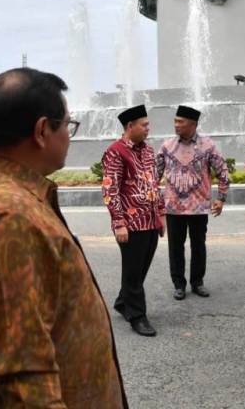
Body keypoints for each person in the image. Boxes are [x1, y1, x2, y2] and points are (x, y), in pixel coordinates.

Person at [0, 68, 126, 407]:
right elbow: (25, 378)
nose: (69, 136)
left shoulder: (13, 196)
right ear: (42, 131)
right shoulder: (6, 216)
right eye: (67, 125)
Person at [102, 104, 165, 337]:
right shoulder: (116, 151)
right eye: (144, 125)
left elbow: (154, 184)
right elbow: (110, 190)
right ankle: (137, 316)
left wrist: (160, 215)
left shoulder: (148, 151)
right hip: (130, 224)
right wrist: (119, 223)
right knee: (132, 271)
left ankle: (122, 301)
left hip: (149, 221)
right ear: (130, 126)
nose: (148, 129)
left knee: (140, 269)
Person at [156, 105, 229, 300]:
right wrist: (155, 204)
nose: (176, 125)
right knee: (175, 247)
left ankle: (197, 282)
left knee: (199, 246)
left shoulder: (208, 146)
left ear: (193, 124)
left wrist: (221, 199)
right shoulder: (166, 146)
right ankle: (178, 284)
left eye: (180, 122)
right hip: (173, 208)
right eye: (175, 121)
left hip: (199, 208)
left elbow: (223, 172)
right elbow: (154, 176)